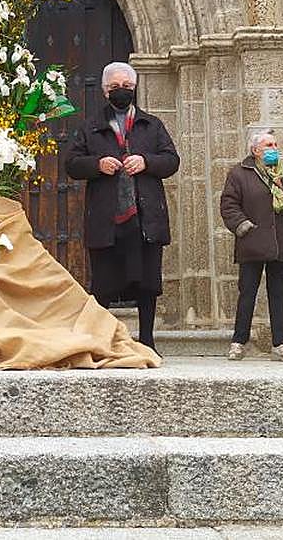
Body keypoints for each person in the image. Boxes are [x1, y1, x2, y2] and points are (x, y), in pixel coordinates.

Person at [65, 61, 180, 351]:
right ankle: (102, 340)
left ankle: (148, 340)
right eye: (115, 87)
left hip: (145, 218)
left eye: (127, 86)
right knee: (103, 282)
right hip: (107, 218)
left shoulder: (152, 125)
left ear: (135, 88)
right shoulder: (91, 127)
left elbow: (171, 160)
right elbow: (72, 164)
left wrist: (146, 161)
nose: (122, 91)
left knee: (147, 283)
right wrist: (97, 164)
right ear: (105, 91)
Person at [220, 130, 283, 362]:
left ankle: (280, 344)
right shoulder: (239, 173)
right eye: (269, 145)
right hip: (252, 242)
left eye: (275, 144)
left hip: (280, 241)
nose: (274, 148)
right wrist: (244, 226)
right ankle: (238, 342)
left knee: (278, 295)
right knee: (247, 293)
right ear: (255, 150)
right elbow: (229, 205)